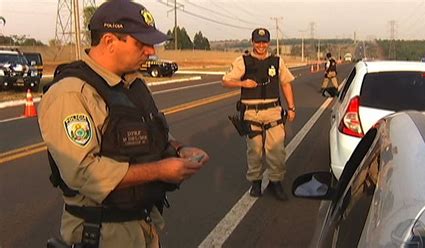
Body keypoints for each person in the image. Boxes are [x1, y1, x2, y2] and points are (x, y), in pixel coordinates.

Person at [38, 1, 209, 247]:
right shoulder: (73, 93)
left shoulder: (133, 84)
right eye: (142, 43)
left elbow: (153, 135)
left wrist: (180, 150)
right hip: (103, 233)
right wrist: (161, 170)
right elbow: (84, 173)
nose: (151, 51)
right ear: (109, 41)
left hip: (143, 225)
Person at [222, 28, 296, 201]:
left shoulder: (277, 61)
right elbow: (225, 81)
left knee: (277, 150)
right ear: (252, 42)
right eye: (257, 42)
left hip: (273, 111)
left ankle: (275, 182)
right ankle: (255, 181)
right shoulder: (243, 61)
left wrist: (291, 108)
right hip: (251, 112)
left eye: (264, 42)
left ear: (268, 43)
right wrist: (243, 83)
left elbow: (286, 84)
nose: (261, 45)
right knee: (254, 150)